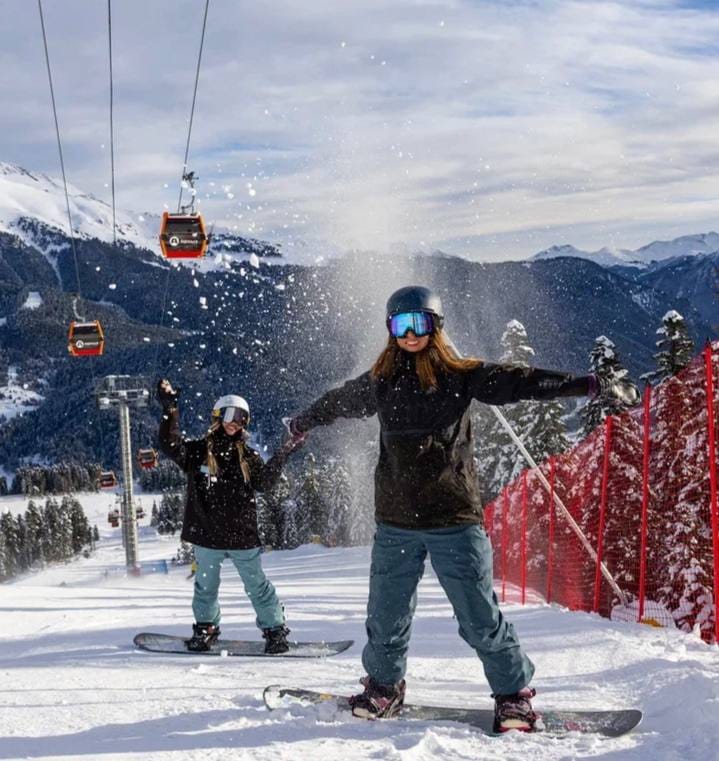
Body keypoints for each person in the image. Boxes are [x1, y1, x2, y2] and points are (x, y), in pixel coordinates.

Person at [287, 285, 638, 731]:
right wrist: (304, 421)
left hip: (454, 518)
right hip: (396, 521)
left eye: (420, 324)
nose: (411, 334)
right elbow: (337, 402)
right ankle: (384, 686)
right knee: (386, 615)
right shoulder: (380, 383)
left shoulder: (462, 376)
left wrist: (589, 385)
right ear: (390, 331)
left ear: (436, 327)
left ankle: (513, 696)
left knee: (478, 617)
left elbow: (523, 381)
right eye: (401, 325)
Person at [157, 379, 306, 654]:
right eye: (228, 415)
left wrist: (284, 452)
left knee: (257, 586)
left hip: (241, 535)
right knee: (205, 587)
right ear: (217, 417)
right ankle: (206, 627)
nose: (234, 422)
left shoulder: (248, 456)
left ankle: (274, 629)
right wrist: (171, 410)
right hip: (207, 534)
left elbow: (264, 483)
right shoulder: (198, 452)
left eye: (241, 418)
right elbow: (169, 444)